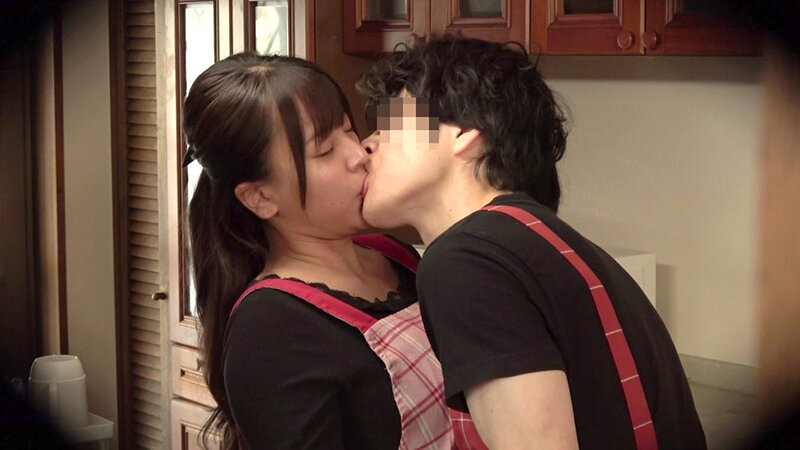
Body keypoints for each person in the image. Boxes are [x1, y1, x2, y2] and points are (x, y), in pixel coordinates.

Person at [358, 36, 706, 449]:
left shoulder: (465, 262)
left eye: (390, 123)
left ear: (464, 131)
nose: (367, 145)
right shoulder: (543, 244)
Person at [182, 52, 486, 449]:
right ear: (260, 197)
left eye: (348, 129)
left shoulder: (395, 256)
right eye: (325, 150)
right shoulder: (269, 329)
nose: (359, 154)